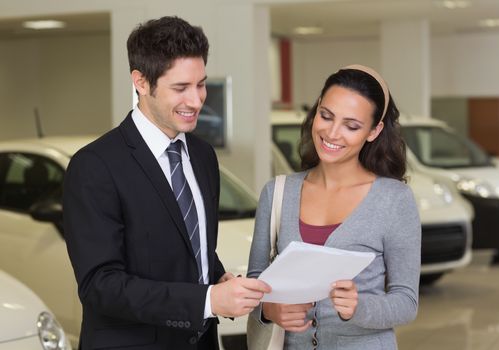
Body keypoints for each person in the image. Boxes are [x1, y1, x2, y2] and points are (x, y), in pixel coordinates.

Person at [63, 16, 270, 350]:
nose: (197, 100)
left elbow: (193, 246)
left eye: (200, 84)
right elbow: (100, 285)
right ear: (141, 82)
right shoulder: (94, 166)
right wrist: (207, 301)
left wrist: (218, 278)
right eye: (180, 88)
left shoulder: (203, 156)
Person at [248, 64, 421, 349]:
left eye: (351, 126)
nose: (332, 133)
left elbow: (406, 301)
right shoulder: (277, 192)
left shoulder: (394, 199)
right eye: (326, 116)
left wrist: (358, 307)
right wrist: (269, 310)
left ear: (374, 130)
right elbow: (255, 281)